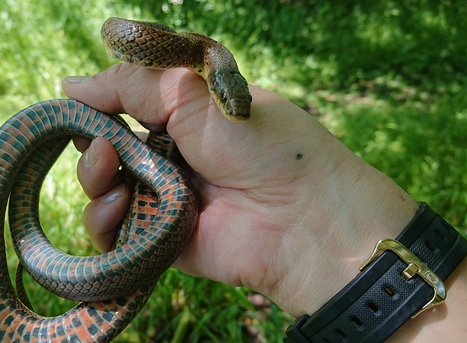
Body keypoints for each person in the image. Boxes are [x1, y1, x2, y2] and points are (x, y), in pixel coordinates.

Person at [62, 63, 467, 342]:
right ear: (213, 82)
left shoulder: (211, 74)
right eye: (221, 99)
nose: (232, 112)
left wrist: (301, 236)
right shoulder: (188, 67)